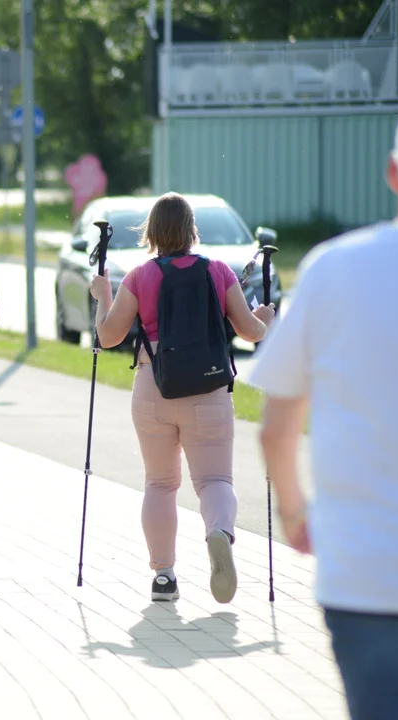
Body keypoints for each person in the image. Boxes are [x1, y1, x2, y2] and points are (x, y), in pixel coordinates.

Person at [249, 81, 398, 720]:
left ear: (394, 173)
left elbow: (276, 430)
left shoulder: (332, 270)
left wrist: (296, 515)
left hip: (366, 569)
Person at [89, 192, 274, 604]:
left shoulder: (140, 276)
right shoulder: (219, 271)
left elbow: (109, 336)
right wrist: (264, 319)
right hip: (208, 389)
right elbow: (248, 332)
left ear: (151, 232)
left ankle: (164, 578)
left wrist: (102, 296)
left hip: (154, 387)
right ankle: (217, 533)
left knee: (160, 483)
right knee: (214, 481)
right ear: (193, 230)